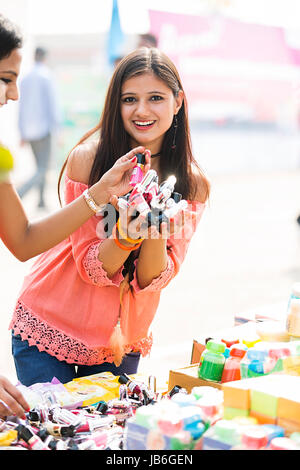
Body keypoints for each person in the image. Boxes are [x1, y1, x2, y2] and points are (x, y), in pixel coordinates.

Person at [10, 47, 210, 387]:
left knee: (108, 436)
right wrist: (127, 236)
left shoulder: (192, 184)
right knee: (54, 435)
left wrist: (153, 232)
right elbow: (91, 268)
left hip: (120, 340)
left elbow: (151, 279)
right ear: (115, 105)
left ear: (178, 102)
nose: (142, 110)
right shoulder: (88, 160)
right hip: (48, 328)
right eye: (129, 99)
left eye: (156, 98)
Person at [0, 14, 148, 418]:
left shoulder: (1, 157)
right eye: (5, 78)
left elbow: (23, 241)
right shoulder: (84, 157)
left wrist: (100, 193)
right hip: (44, 329)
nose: (13, 94)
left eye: (15, 79)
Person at [17, 46, 61, 208]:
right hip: (44, 129)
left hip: (29, 131)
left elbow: (21, 107)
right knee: (43, 168)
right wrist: (58, 129)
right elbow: (53, 105)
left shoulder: (25, 78)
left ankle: (41, 201)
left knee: (39, 166)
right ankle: (19, 193)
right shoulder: (47, 76)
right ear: (45, 57)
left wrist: (21, 132)